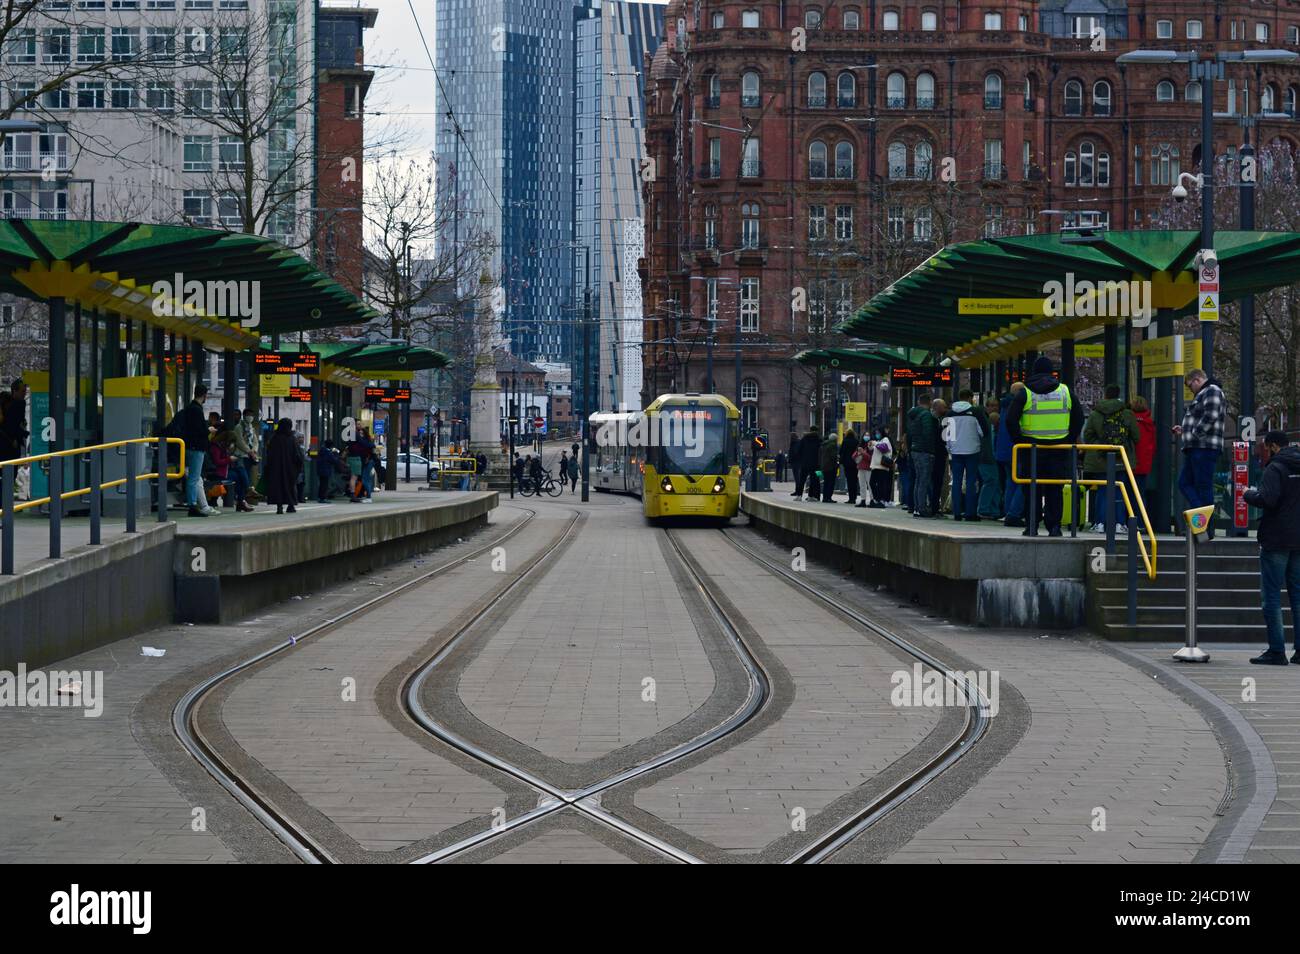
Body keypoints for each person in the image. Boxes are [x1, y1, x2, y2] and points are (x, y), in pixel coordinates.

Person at [1004, 357, 1084, 536]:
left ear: (1033, 371)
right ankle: (1054, 526)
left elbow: (1010, 420)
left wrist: (1021, 441)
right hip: (1058, 449)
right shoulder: (1065, 392)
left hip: (1031, 450)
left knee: (1031, 488)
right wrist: (1068, 439)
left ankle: (1032, 526)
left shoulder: (1025, 393)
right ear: (1051, 372)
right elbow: (1078, 418)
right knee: (1054, 488)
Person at [1244, 431, 1300, 665]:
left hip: (1276, 539)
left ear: (1274, 446)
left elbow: (1268, 499)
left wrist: (1249, 495)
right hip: (1298, 539)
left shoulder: (1274, 469)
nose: (1264, 452)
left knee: (1272, 597)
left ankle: (1277, 650)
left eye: (1265, 448)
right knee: (1297, 596)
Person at [1174, 367, 1225, 538]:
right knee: (1186, 483)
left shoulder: (1212, 390)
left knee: (1201, 486)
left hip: (1204, 447)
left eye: (1190, 386)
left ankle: (1204, 527)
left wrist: (1194, 434)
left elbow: (1211, 416)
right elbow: (1203, 418)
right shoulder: (1207, 393)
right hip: (1198, 447)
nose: (1190, 390)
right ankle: (1201, 523)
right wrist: (1185, 430)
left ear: (1197, 380)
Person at [1081, 384, 1139, 533]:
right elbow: (1136, 436)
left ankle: (1099, 523)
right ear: (1119, 395)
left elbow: (1087, 435)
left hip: (1101, 457)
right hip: (1122, 457)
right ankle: (1120, 523)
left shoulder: (1096, 413)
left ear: (1105, 395)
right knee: (1120, 490)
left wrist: (1101, 444)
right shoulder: (1127, 413)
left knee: (1102, 490)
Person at [170, 384, 214, 517]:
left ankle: (193, 503)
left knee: (192, 476)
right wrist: (209, 430)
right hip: (196, 448)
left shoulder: (188, 409)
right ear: (204, 395)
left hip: (187, 447)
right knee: (194, 477)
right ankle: (192, 505)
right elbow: (199, 431)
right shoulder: (197, 410)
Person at [944, 397, 985, 521]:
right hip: (972, 450)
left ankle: (956, 512)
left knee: (956, 481)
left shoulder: (950, 415)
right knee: (971, 481)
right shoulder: (975, 413)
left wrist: (950, 447)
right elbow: (982, 432)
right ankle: (970, 513)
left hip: (956, 451)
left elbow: (946, 434)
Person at [996, 383, 1026, 526]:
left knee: (1010, 482)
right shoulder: (1018, 406)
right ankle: (1014, 513)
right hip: (1017, 449)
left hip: (1003, 451)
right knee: (1023, 482)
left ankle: (1008, 511)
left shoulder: (1003, 406)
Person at [906, 393, 939, 517]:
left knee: (918, 480)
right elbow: (928, 433)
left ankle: (916, 507)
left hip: (915, 450)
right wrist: (931, 449)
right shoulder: (926, 415)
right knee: (924, 480)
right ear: (929, 402)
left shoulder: (914, 416)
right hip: (925, 451)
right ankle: (922, 508)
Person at [264, 419, 301, 515]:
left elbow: (269, 454)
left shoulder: (274, 438)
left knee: (278, 487)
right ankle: (291, 505)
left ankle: (279, 507)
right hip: (290, 468)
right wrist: (298, 467)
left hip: (275, 469)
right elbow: (297, 455)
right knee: (290, 486)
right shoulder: (292, 439)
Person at [1130, 395, 1156, 522]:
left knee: (1128, 494)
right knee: (1140, 494)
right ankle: (1141, 521)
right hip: (1144, 464)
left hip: (1130, 463)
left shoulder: (1130, 421)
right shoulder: (1149, 422)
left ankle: (1130, 521)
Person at [977, 396, 1003, 519]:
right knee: (990, 481)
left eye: (996, 405)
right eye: (991, 405)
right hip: (985, 456)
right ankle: (984, 508)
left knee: (995, 483)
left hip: (995, 457)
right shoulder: (983, 421)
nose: (994, 408)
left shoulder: (997, 422)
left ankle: (994, 509)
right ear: (986, 407)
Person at [0, 378, 29, 464]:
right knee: (10, 472)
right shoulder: (18, 404)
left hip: (5, 445)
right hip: (10, 446)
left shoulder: (6, 404)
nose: (24, 394)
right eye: (22, 391)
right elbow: (12, 426)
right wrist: (23, 433)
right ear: (14, 391)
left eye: (25, 391)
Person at [866, 427, 894, 508]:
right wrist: (871, 446)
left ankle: (881, 500)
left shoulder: (885, 439)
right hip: (875, 466)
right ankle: (877, 499)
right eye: (875, 433)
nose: (877, 434)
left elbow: (884, 448)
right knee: (872, 483)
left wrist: (875, 443)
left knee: (880, 484)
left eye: (878, 433)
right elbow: (875, 450)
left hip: (882, 466)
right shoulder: (878, 441)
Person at [347, 427, 376, 502]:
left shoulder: (353, 439)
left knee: (363, 478)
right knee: (359, 478)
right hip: (358, 460)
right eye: (359, 433)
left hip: (364, 461)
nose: (360, 434)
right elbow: (368, 446)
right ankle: (357, 494)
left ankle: (359, 494)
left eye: (362, 433)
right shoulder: (360, 441)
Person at [794, 426, 822, 501]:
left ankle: (799, 495)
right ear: (817, 431)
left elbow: (798, 451)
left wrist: (801, 460)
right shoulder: (819, 440)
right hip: (815, 464)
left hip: (804, 463)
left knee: (802, 480)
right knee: (813, 480)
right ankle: (810, 496)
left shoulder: (804, 439)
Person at [315, 439, 343, 504]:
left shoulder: (322, 450)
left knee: (321, 484)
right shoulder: (328, 452)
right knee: (324, 485)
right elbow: (334, 460)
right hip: (326, 470)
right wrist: (336, 454)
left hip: (320, 469)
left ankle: (320, 497)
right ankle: (323, 498)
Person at [839, 427, 860, 505]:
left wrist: (842, 461)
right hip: (855, 463)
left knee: (849, 480)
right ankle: (854, 497)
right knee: (854, 480)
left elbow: (841, 452)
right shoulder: (856, 441)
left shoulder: (845, 441)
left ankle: (851, 498)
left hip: (847, 464)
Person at [818, 431, 840, 503]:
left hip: (824, 466)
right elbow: (833, 456)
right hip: (831, 467)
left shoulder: (824, 445)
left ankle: (825, 497)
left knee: (826, 482)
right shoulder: (833, 445)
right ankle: (829, 497)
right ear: (835, 439)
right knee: (831, 483)